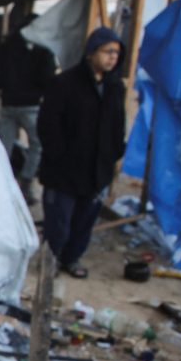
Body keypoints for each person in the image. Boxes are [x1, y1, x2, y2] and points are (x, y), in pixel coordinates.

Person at [36, 26, 127, 278]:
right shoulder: (64, 83)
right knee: (59, 223)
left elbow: (117, 125)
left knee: (84, 221)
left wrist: (114, 153)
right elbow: (48, 124)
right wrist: (59, 154)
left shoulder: (114, 87)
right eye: (108, 51)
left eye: (117, 53)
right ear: (91, 52)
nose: (113, 57)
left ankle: (71, 258)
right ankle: (50, 260)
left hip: (97, 170)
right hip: (64, 170)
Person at [0, 14, 57, 204]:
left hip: (8, 103)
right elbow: (48, 78)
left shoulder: (7, 46)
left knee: (2, 147)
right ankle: (26, 183)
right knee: (37, 145)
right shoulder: (42, 49)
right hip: (30, 105)